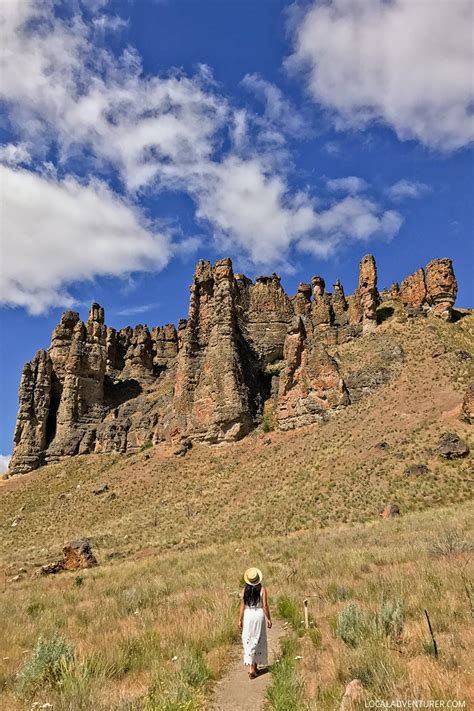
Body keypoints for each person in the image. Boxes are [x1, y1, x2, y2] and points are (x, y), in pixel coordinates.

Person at [239, 567, 272, 679]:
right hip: (259, 615)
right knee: (258, 638)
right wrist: (268, 618)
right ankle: (254, 667)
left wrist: (240, 619)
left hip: (248, 615)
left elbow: (242, 606)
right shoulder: (263, 590)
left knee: (248, 639)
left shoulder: (244, 591)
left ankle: (251, 667)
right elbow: (265, 605)